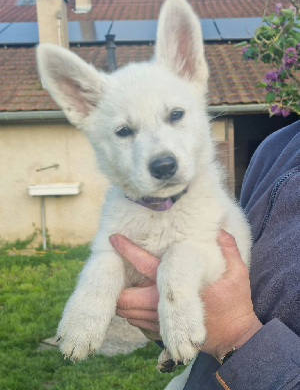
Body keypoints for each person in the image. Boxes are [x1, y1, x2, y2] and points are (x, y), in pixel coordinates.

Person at [109, 120, 300, 389]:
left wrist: (236, 333)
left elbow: (223, 315)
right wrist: (169, 321)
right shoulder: (276, 146)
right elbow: (230, 261)